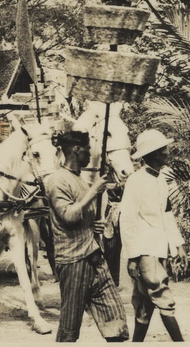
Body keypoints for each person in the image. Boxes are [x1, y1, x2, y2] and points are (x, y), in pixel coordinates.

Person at [45, 131, 129, 343]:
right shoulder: (57, 181)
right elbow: (68, 216)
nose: (90, 154)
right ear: (76, 150)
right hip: (73, 261)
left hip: (94, 256)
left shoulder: (79, 179)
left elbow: (82, 216)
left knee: (116, 321)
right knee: (69, 327)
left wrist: (95, 225)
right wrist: (93, 192)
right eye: (88, 149)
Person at [119, 129, 187, 342]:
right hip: (145, 250)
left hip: (159, 248)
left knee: (144, 303)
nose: (167, 152)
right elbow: (127, 220)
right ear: (155, 154)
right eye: (163, 149)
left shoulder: (161, 180)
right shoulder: (135, 181)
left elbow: (167, 216)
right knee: (162, 296)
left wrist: (178, 245)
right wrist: (132, 257)